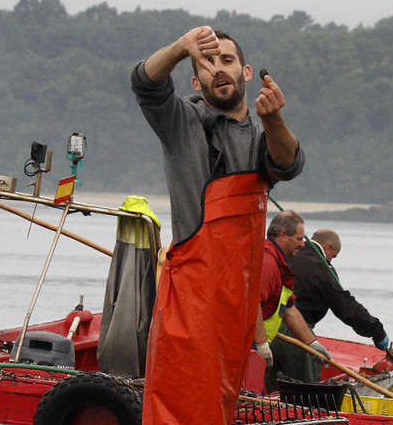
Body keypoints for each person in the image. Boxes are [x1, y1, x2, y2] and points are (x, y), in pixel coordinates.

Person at [131, 26, 305, 424]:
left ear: (245, 72)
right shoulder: (181, 124)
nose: (218, 68)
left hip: (237, 312)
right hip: (191, 305)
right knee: (178, 407)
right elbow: (145, 82)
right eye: (207, 63)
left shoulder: (262, 137)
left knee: (221, 410)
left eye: (227, 60)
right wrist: (180, 47)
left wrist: (275, 118)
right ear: (196, 80)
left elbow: (289, 165)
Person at [269, 228, 389, 385]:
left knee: (271, 399)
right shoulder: (322, 268)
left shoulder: (286, 255)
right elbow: (345, 306)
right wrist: (376, 331)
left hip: (268, 333)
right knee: (307, 396)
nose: (331, 260)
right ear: (328, 247)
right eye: (333, 256)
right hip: (297, 334)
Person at [255, 212, 331, 393]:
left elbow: (289, 309)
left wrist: (312, 344)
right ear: (283, 235)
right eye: (298, 238)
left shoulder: (280, 264)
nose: (303, 244)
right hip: (247, 345)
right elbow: (253, 304)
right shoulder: (267, 262)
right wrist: (262, 345)